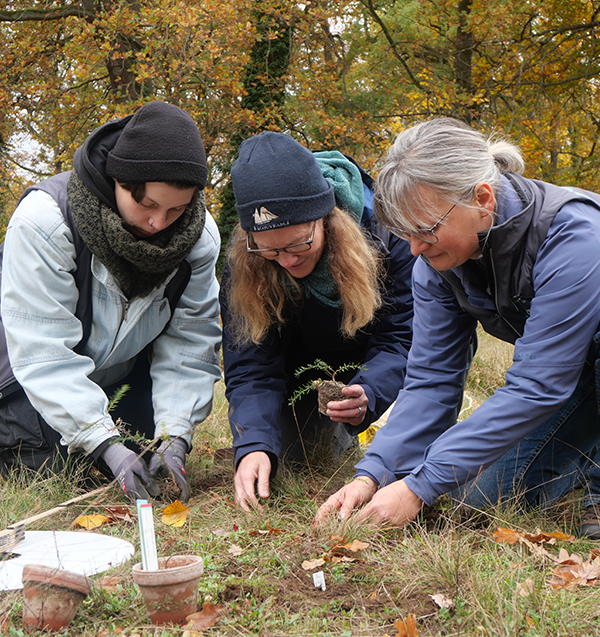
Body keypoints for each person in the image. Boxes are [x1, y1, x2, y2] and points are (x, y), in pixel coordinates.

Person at [317, 117, 600, 539]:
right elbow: (431, 380)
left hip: (560, 377)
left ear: (482, 198)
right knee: (476, 499)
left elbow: (537, 385)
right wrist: (373, 474)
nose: (414, 249)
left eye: (426, 231)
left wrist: (416, 486)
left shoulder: (577, 238)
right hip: (573, 378)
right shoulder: (437, 264)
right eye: (404, 233)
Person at [0, 101, 222, 502]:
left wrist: (174, 436)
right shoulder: (45, 222)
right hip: (23, 380)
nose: (159, 224)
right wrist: (103, 444)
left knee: (143, 460)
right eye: (148, 205)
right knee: (53, 468)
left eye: (177, 209)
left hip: (118, 381)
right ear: (116, 181)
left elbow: (190, 343)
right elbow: (42, 351)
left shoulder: (198, 239)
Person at [220, 131, 415, 510]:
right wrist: (254, 443)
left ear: (326, 219)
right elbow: (250, 362)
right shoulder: (248, 258)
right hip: (298, 362)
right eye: (272, 249)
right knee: (292, 459)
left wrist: (370, 392)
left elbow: (403, 336)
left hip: (369, 355)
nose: (288, 260)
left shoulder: (388, 233)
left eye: (298, 244)